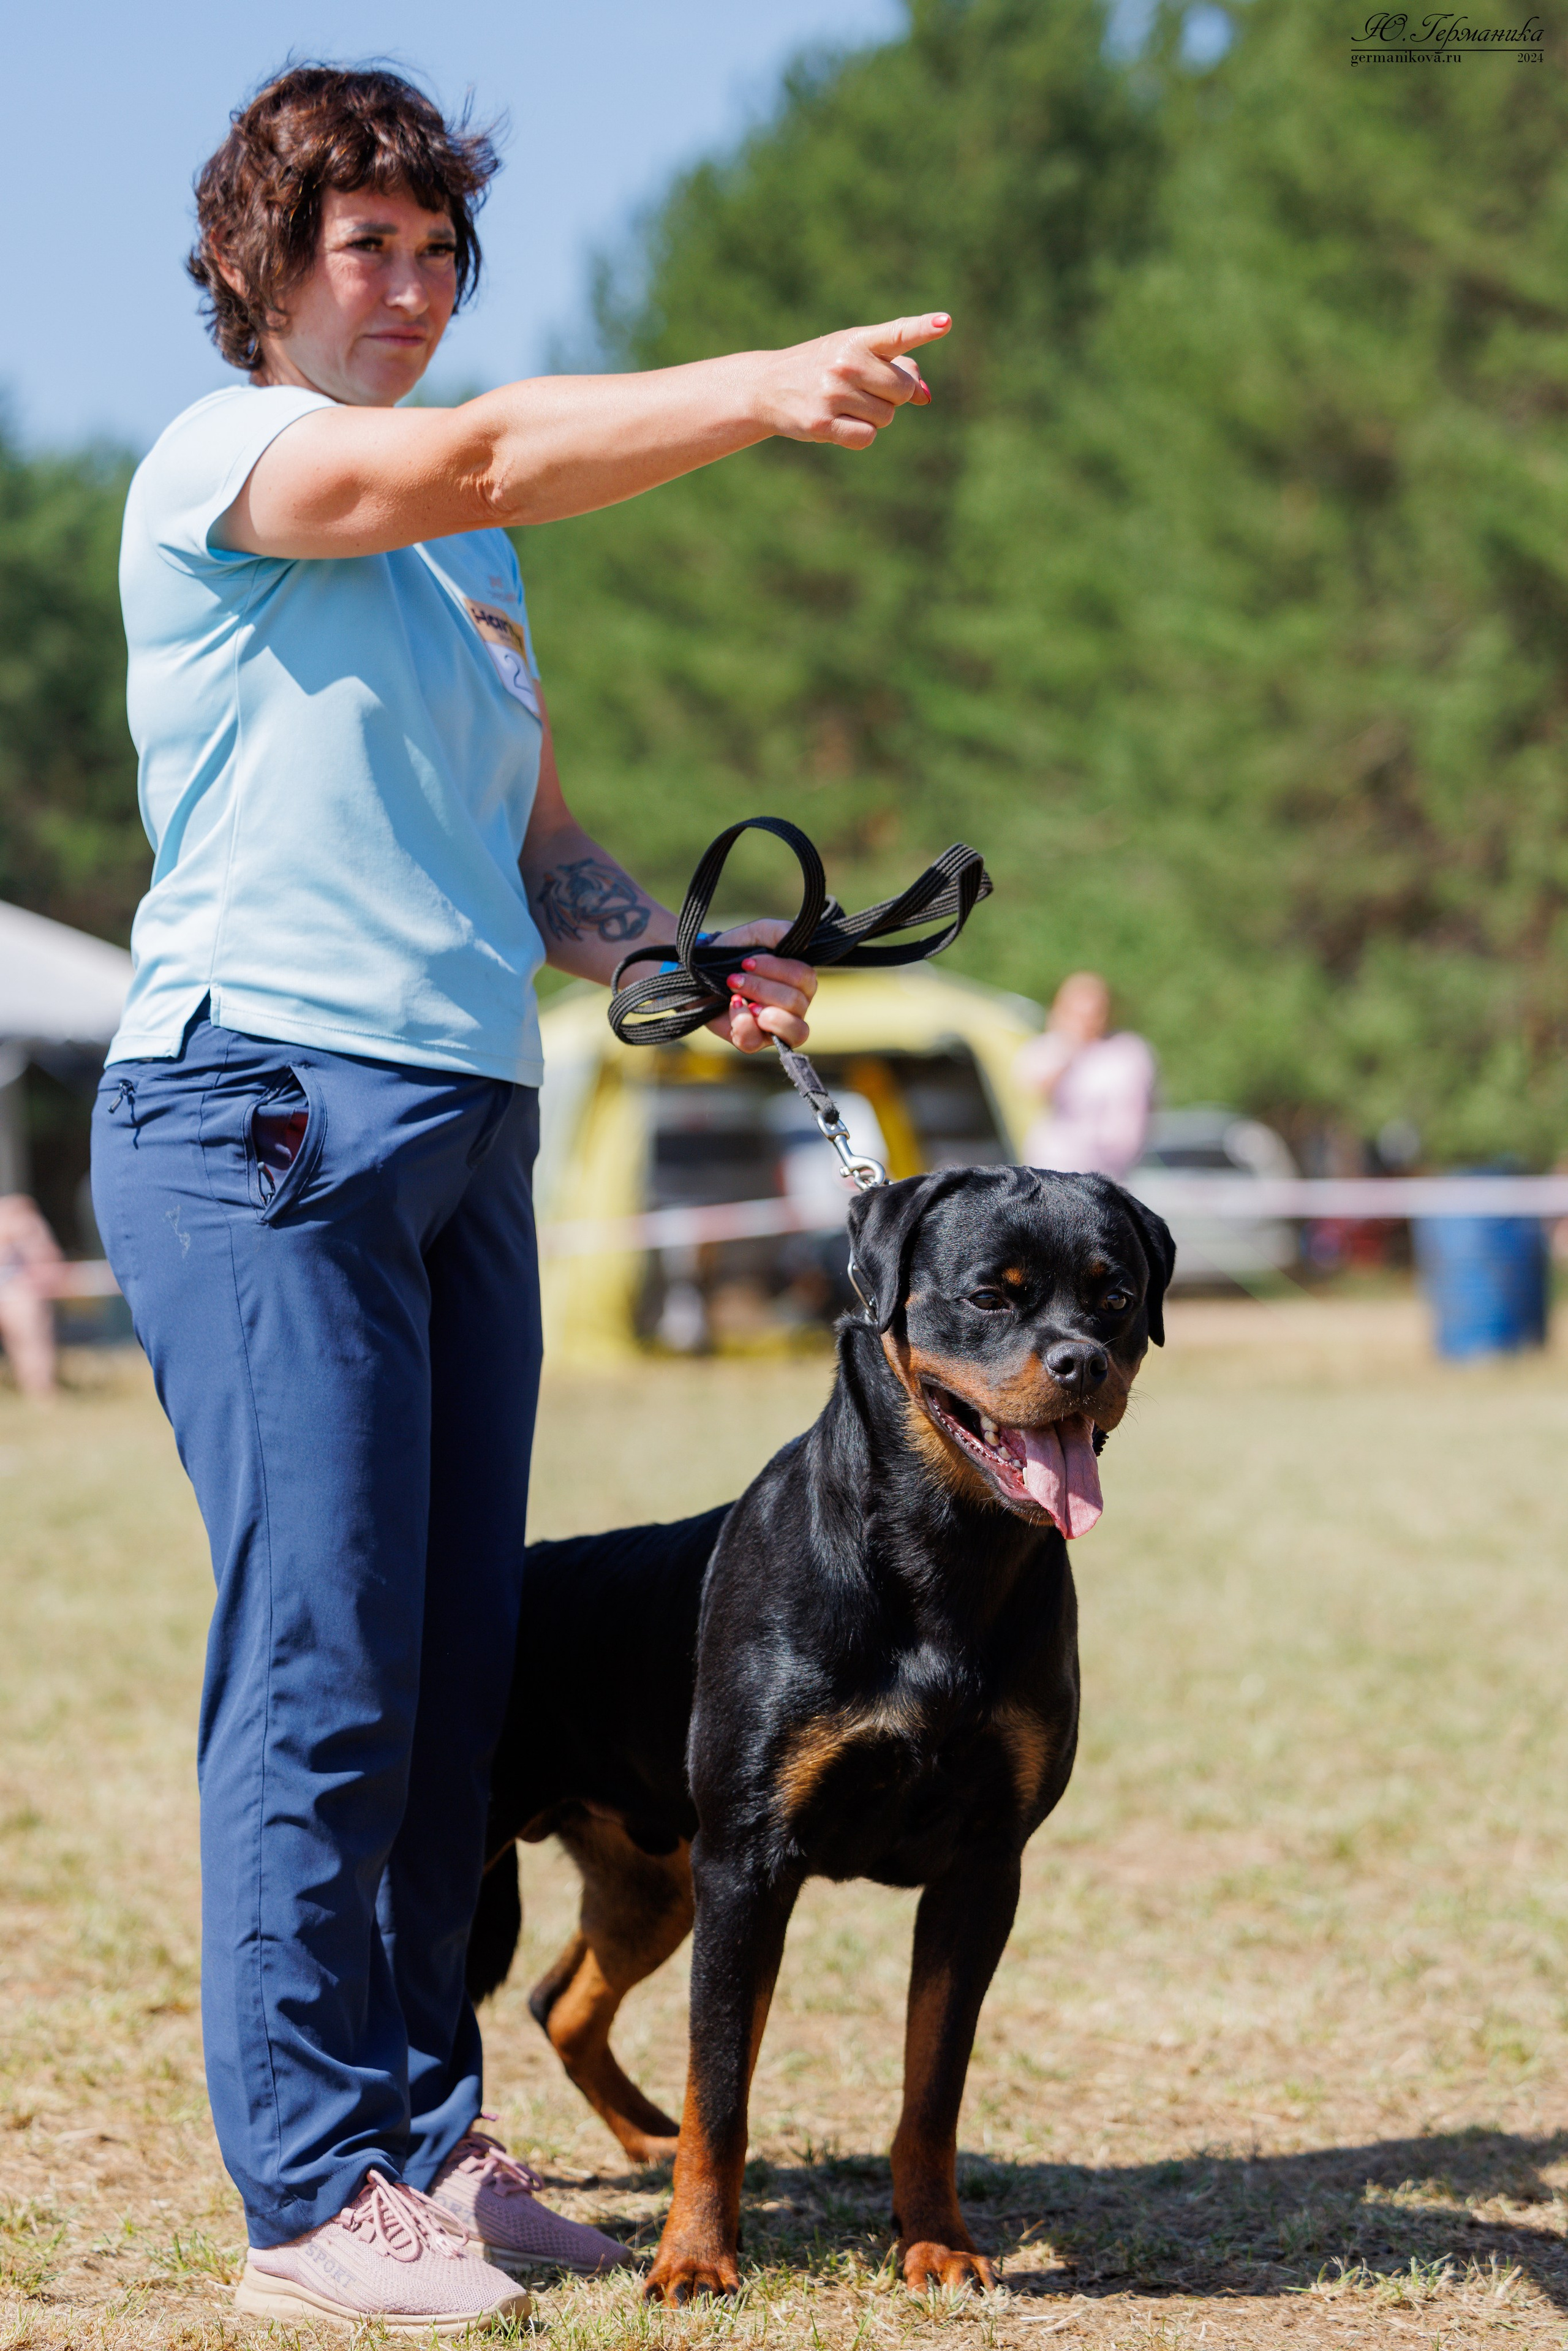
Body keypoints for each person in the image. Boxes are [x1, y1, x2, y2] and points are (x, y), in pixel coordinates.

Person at [89, 63, 949, 2336]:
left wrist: (674, 957)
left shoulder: (476, 559)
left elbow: (539, 851)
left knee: (451, 1669)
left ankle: (418, 2135)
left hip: (463, 1117)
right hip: (260, 1109)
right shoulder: (233, 459)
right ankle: (308, 2193)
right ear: (261, 268)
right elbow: (474, 451)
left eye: (437, 248)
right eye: (362, 244)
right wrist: (755, 388)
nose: (410, 283)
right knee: (326, 1657)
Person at [1014, 971, 1156, 1183]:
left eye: (1095, 1011)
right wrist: (1067, 1044)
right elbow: (1034, 1089)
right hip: (1053, 1167)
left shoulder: (1128, 1051)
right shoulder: (1046, 1048)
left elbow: (1139, 1107)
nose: (1088, 1019)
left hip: (1110, 1171)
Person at [0, 1192, 62, 1397]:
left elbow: (50, 1266)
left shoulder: (27, 1225)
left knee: (27, 1316)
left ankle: (40, 1389)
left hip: (18, 1296)